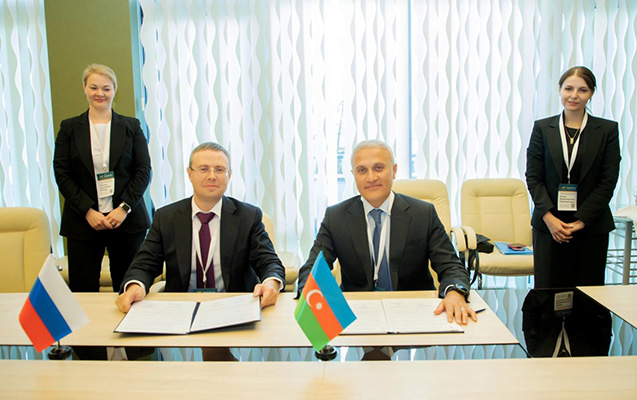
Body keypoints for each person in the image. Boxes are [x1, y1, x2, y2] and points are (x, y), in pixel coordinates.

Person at [116, 142, 285, 359]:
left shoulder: (248, 216)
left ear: (229, 175)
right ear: (190, 174)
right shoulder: (167, 217)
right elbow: (145, 263)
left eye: (219, 169)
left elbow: (269, 262)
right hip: (180, 312)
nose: (212, 176)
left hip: (233, 311)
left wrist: (270, 283)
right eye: (204, 169)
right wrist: (135, 286)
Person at [297, 140, 476, 330]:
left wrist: (455, 292)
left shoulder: (423, 214)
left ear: (394, 170)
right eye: (362, 170)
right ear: (354, 175)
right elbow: (313, 268)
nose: (371, 177)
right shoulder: (336, 217)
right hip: (357, 312)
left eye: (378, 168)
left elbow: (450, 266)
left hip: (413, 310)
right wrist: (312, 297)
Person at [53, 64, 151, 293]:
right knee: (83, 289)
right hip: (83, 222)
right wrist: (87, 210)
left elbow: (143, 170)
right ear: (84, 88)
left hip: (126, 221)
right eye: (94, 87)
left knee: (128, 288)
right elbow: (62, 173)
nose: (100, 93)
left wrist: (124, 208)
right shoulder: (69, 128)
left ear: (115, 89)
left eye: (106, 88)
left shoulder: (131, 126)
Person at [526, 66, 621, 288]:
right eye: (568, 88)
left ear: (591, 93)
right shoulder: (543, 128)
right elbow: (534, 177)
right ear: (560, 89)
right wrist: (549, 218)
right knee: (548, 295)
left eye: (582, 90)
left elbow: (608, 181)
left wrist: (581, 221)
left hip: (591, 226)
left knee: (587, 296)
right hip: (549, 226)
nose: (574, 95)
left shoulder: (607, 130)